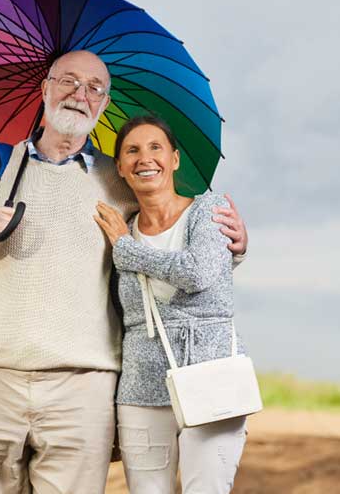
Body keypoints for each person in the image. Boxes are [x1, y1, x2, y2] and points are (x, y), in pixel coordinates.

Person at [0, 50, 247, 494]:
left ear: (103, 103)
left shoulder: (118, 180)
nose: (81, 94)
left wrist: (232, 249)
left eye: (95, 87)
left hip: (84, 387)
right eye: (68, 81)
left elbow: (170, 235)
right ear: (44, 89)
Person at [94, 115, 249, 494]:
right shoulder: (120, 227)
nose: (144, 158)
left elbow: (196, 273)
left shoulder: (208, 211)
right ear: (120, 167)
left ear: (175, 159)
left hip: (212, 378)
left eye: (155, 147)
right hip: (141, 390)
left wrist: (127, 251)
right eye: (132, 150)